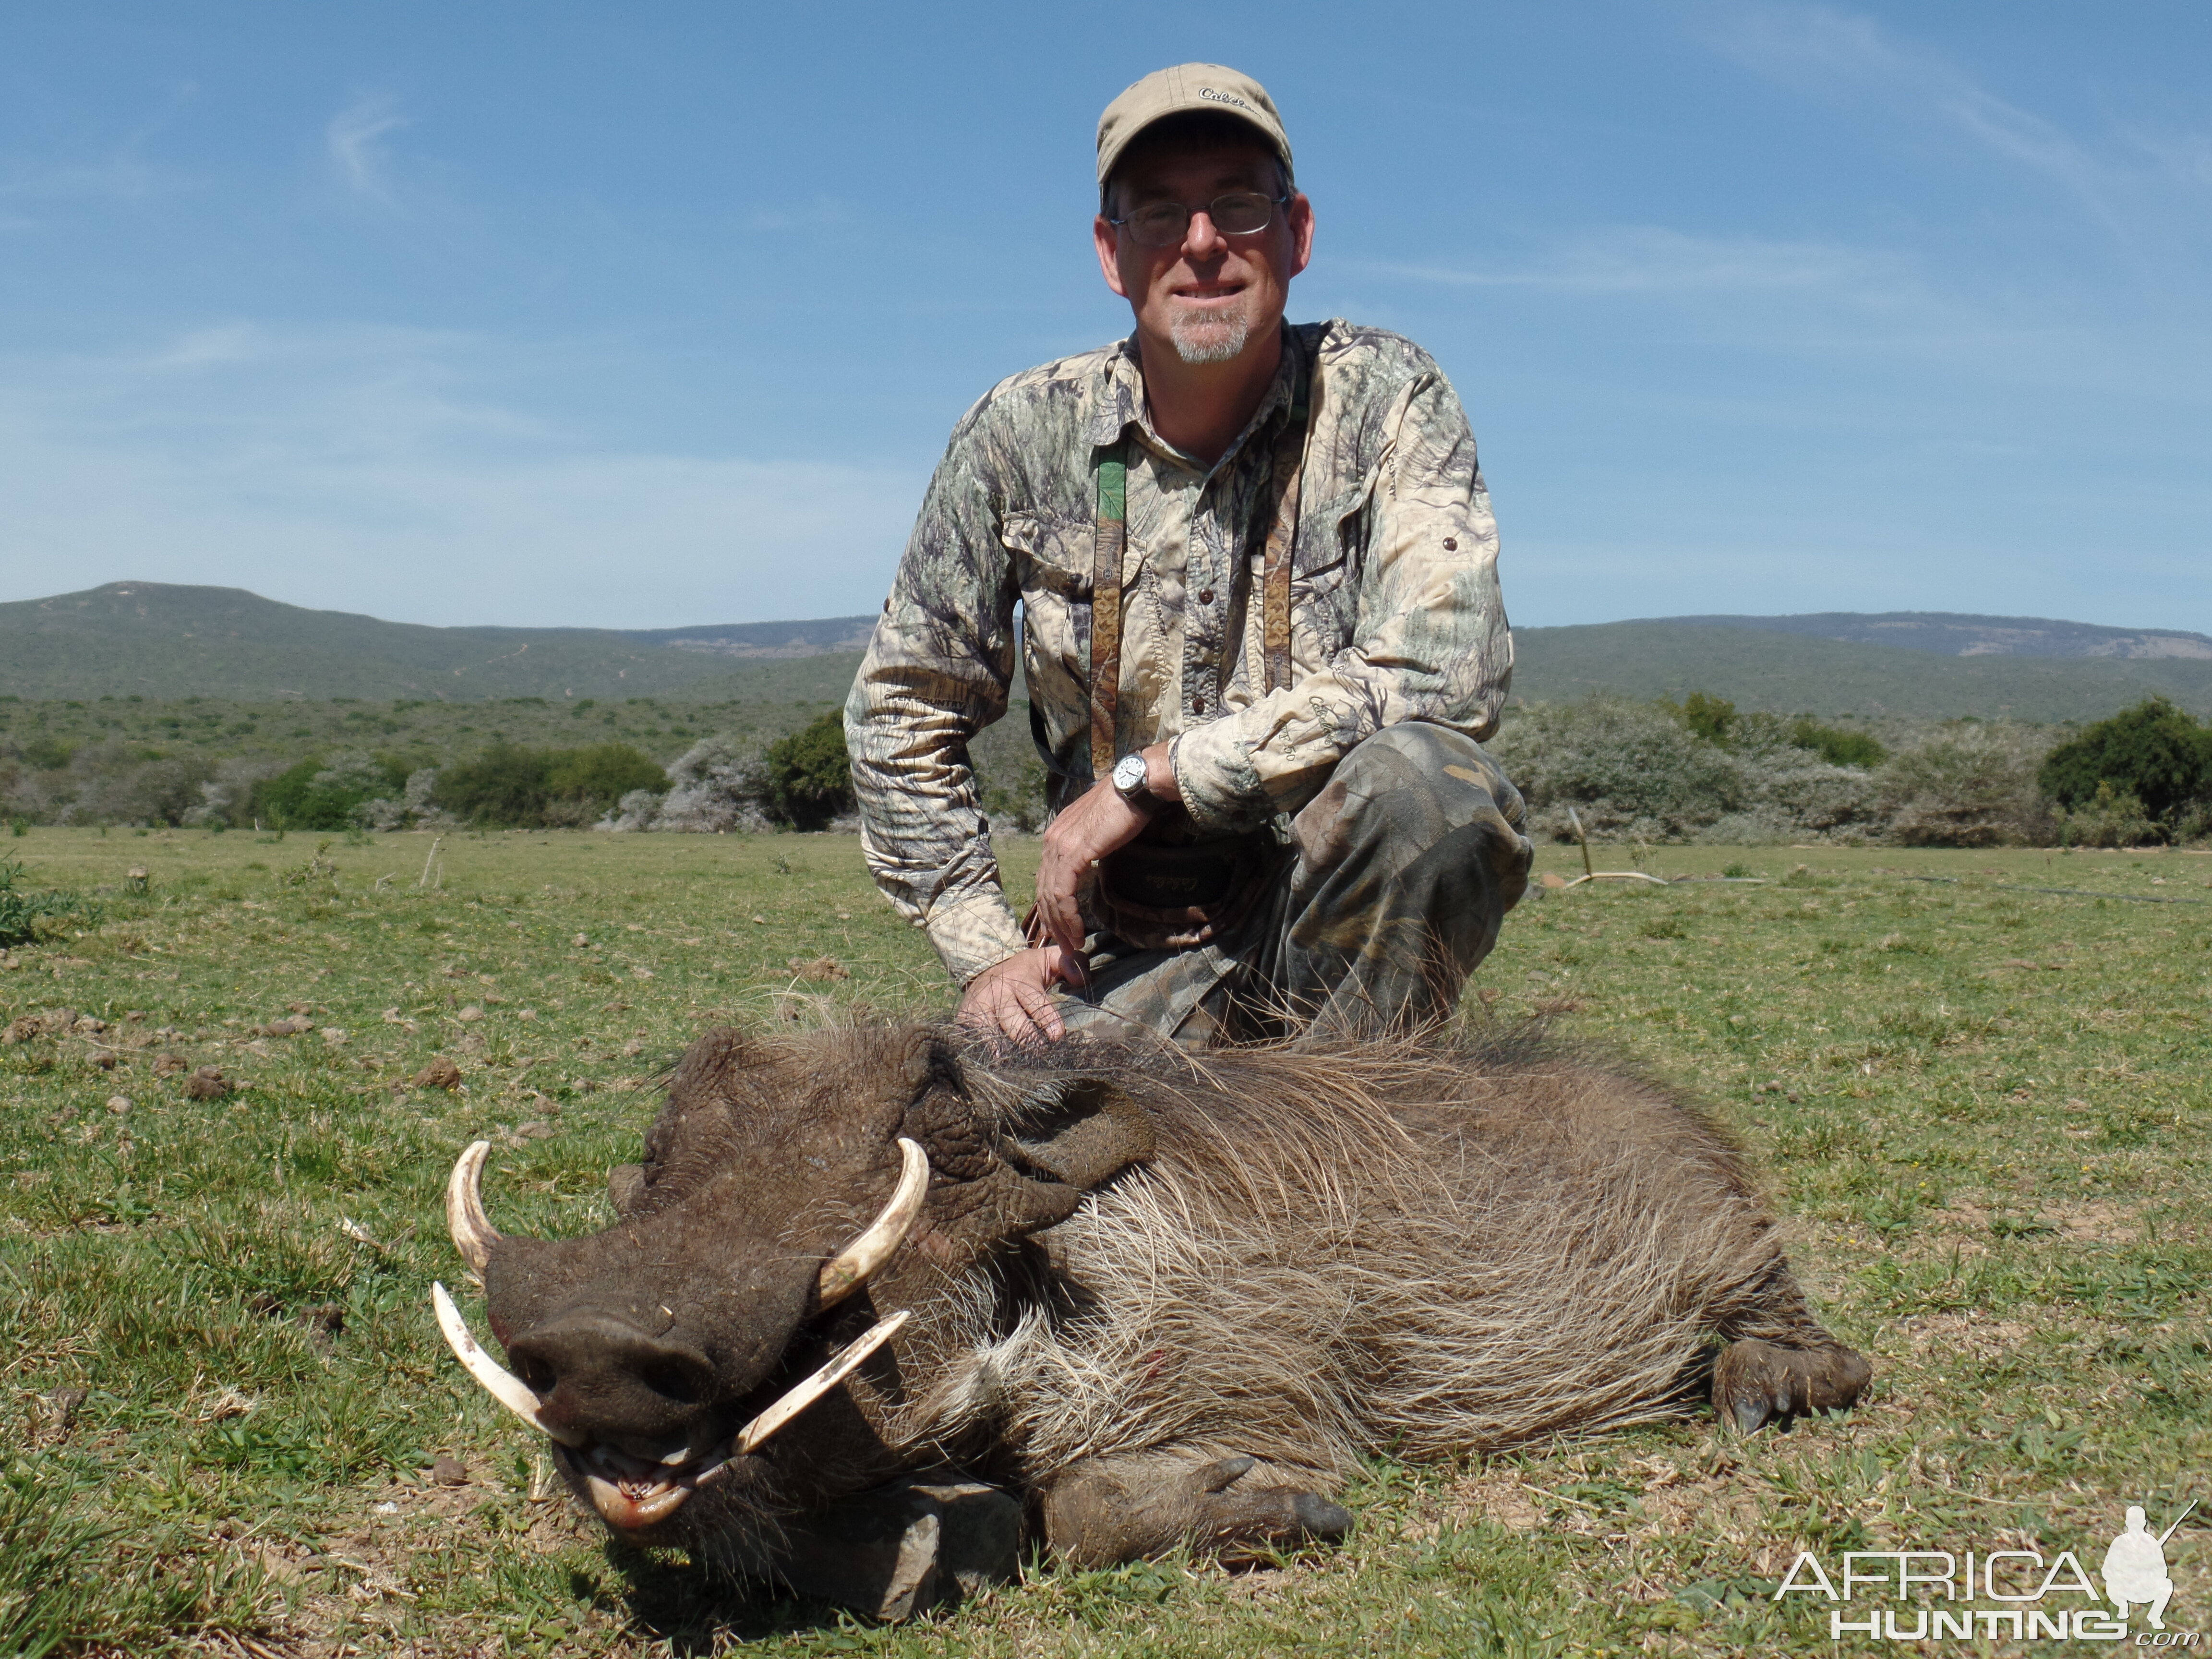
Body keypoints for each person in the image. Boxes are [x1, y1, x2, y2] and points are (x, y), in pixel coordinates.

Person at [846, 62, 1531, 1047]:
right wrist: (984, 948)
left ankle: (1339, 1123)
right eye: (1159, 215)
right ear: (1110, 253)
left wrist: (1154, 778)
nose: (1202, 245)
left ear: (1296, 233)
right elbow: (904, 706)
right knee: (1000, 1141)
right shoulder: (1016, 433)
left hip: (1321, 911)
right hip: (1115, 942)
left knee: (1429, 785)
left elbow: (1444, 678)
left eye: (1237, 206)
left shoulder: (1391, 397)